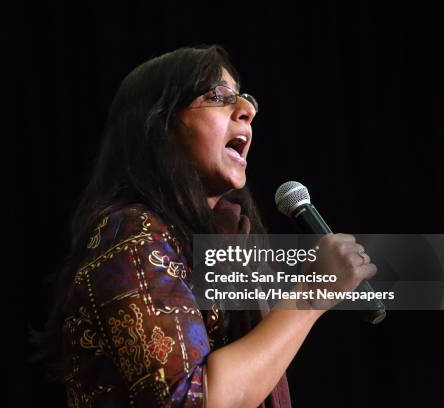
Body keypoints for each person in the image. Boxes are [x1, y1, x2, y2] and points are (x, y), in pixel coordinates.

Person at [33, 44, 377, 407]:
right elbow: (192, 399)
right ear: (161, 125)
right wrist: (310, 296)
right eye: (219, 96)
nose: (247, 110)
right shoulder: (133, 236)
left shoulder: (224, 245)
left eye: (244, 99)